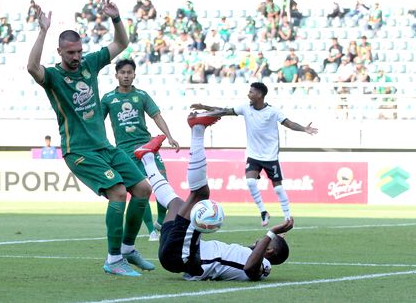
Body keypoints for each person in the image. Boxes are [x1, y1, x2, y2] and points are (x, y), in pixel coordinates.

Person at [26, 0, 154, 277]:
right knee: (118, 193)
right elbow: (32, 67)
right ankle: (113, 259)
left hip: (105, 147)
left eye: (79, 52)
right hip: (79, 151)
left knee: (143, 189)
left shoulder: (90, 64)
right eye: (70, 53)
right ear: (60, 51)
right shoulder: (53, 77)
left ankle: (129, 249)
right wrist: (43, 30)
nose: (76, 57)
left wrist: (116, 19)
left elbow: (121, 44)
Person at [134, 113, 294, 281]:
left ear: (268, 251)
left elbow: (250, 269)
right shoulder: (250, 253)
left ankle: (197, 129)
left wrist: (272, 232)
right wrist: (275, 238)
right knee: (176, 204)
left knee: (201, 194)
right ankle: (147, 157)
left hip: (183, 255)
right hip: (179, 251)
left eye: (265, 242)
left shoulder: (264, 266)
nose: (259, 240)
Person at [190, 82, 318, 226]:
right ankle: (263, 211)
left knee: (278, 188)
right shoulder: (245, 107)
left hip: (270, 156)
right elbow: (224, 111)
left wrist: (304, 129)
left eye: (251, 92)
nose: (248, 94)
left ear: (260, 95)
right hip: (254, 155)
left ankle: (288, 217)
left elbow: (289, 123)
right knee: (250, 181)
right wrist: (204, 108)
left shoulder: (273, 111)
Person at [101, 58, 180, 241]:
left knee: (163, 183)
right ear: (117, 75)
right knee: (139, 191)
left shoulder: (142, 95)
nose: (126, 76)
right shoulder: (108, 99)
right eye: (123, 73)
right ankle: (152, 229)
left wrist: (169, 136)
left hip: (147, 147)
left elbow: (156, 116)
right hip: (125, 152)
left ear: (134, 74)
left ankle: (160, 221)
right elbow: (97, 122)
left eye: (129, 72)